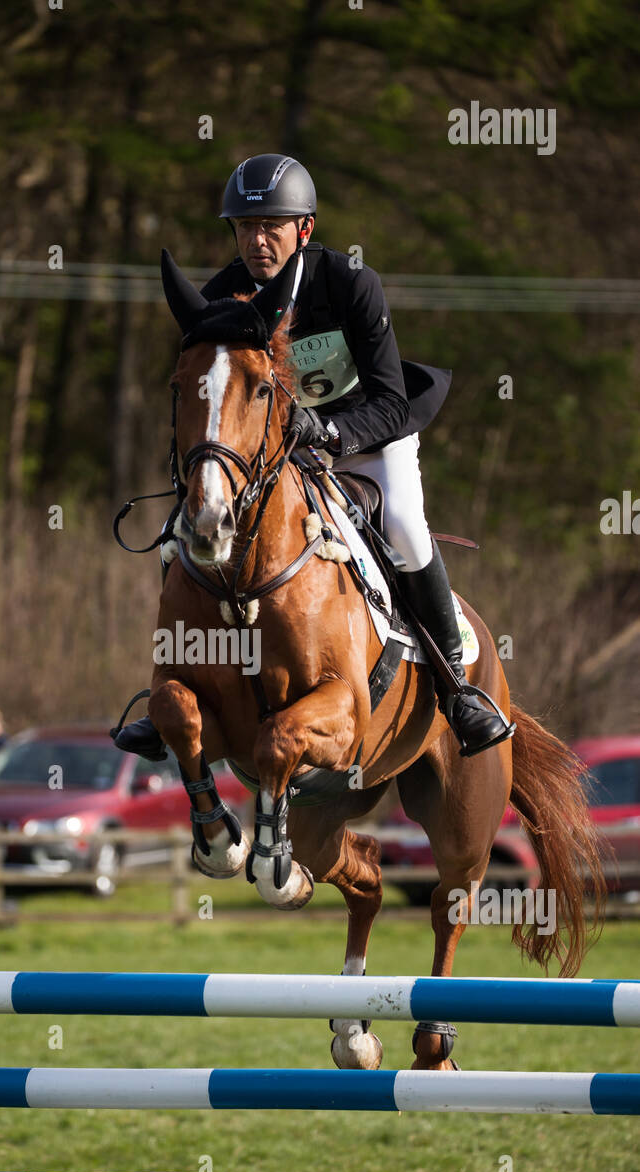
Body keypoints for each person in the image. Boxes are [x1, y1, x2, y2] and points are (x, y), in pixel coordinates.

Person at [115, 153, 514, 761]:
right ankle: (179, 683)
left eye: (271, 226)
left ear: (303, 229)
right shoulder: (225, 296)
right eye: (245, 227)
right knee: (183, 535)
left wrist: (325, 431)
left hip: (367, 439)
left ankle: (456, 684)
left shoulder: (351, 283)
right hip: (278, 458)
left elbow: (390, 400)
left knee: (404, 526)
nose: (256, 240)